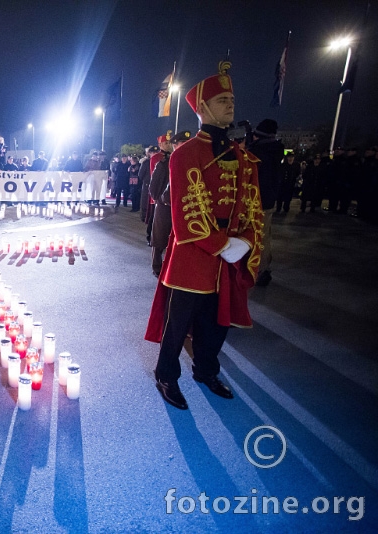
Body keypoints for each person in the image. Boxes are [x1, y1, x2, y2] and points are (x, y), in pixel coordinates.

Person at [145, 62, 263, 410]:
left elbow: (251, 203)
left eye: (231, 99)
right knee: (177, 324)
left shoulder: (242, 155)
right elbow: (186, 213)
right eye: (222, 99)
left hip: (229, 252)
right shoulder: (185, 154)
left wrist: (244, 240)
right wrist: (222, 245)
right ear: (204, 108)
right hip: (193, 256)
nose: (230, 104)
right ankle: (166, 375)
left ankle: (206, 370)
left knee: (217, 323)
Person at [247, 119, 284, 287]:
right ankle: (263, 267)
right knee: (265, 234)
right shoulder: (275, 149)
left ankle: (259, 270)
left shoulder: (260, 151)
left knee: (257, 236)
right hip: (269, 199)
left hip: (257, 199)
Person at [149, 131, 191, 277]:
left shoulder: (191, 162)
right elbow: (153, 189)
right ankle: (157, 266)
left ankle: (175, 267)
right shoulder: (164, 164)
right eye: (181, 143)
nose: (185, 146)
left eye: (187, 143)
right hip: (165, 207)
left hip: (183, 208)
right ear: (174, 145)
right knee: (160, 238)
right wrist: (162, 199)